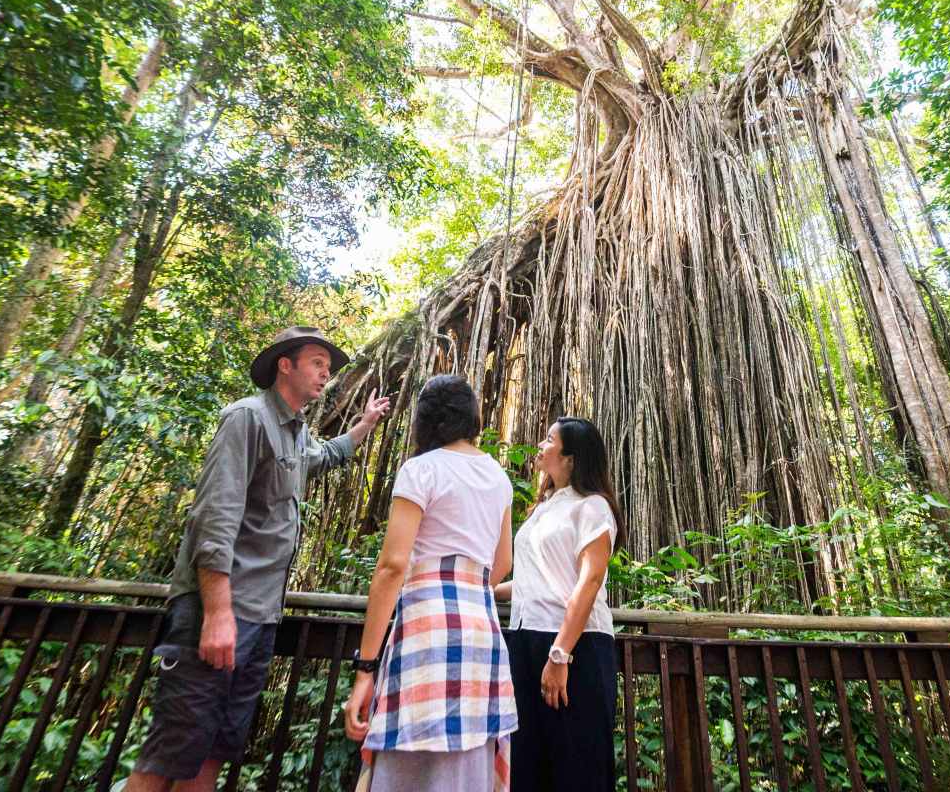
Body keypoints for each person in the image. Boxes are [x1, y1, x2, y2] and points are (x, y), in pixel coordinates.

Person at [127, 325, 391, 792]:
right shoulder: (245, 419)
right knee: (169, 754)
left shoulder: (297, 433)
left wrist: (365, 426)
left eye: (328, 367)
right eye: (317, 362)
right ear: (283, 365)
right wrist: (217, 612)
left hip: (261, 618)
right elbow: (214, 517)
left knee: (214, 751)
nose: (325, 374)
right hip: (223, 612)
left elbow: (325, 457)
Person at [343, 374, 517, 791]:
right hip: (481, 633)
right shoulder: (498, 476)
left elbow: (392, 566)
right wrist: (465, 589)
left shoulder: (420, 470)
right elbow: (504, 562)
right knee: (467, 763)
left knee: (409, 767)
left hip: (426, 628)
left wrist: (366, 668)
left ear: (426, 419)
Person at [495, 417, 624, 792]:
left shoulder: (593, 507)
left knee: (577, 764)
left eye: (549, 440)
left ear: (570, 458)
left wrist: (560, 654)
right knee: (528, 761)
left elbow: (589, 579)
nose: (540, 444)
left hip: (573, 645)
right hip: (525, 638)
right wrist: (485, 590)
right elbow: (540, 580)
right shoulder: (544, 507)